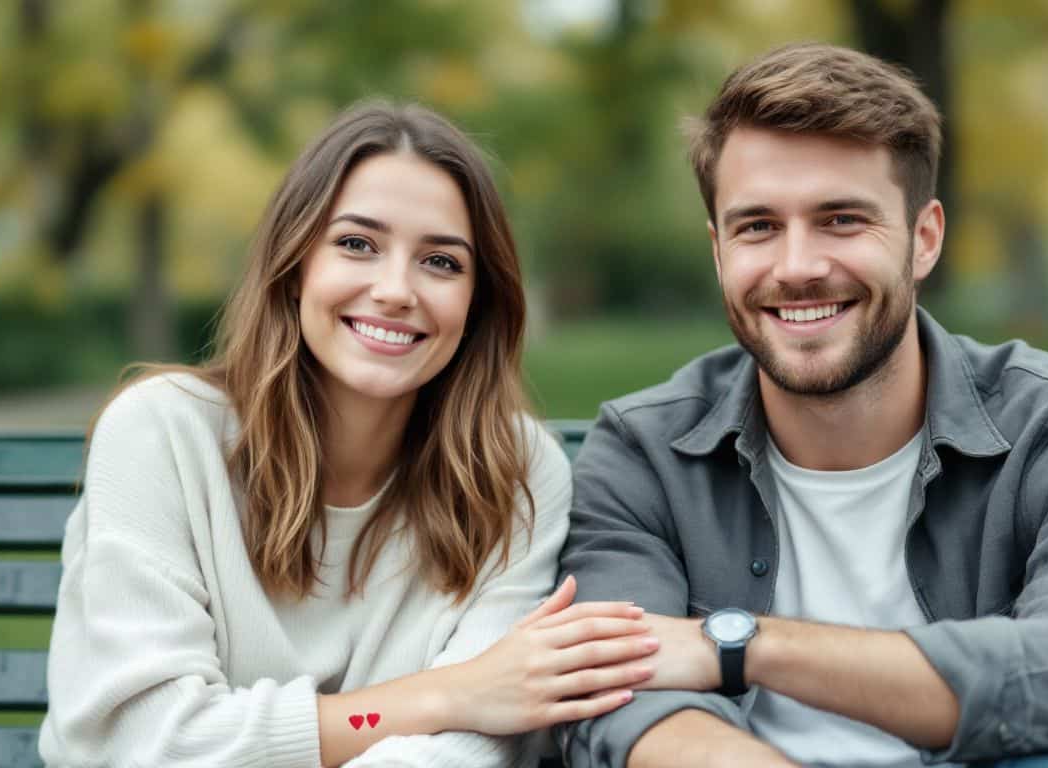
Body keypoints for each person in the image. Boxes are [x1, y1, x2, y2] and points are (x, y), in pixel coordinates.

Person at [556, 43, 1048, 768]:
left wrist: (738, 647)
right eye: (758, 226)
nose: (797, 268)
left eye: (842, 220)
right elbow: (617, 700)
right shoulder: (645, 453)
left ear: (924, 239)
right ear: (719, 250)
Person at [39, 102, 661, 768]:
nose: (396, 290)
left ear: (478, 301)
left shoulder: (515, 471)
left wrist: (459, 705)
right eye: (357, 244)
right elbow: (151, 742)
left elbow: (477, 742)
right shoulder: (161, 433)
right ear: (295, 262)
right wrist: (444, 693)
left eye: (442, 263)